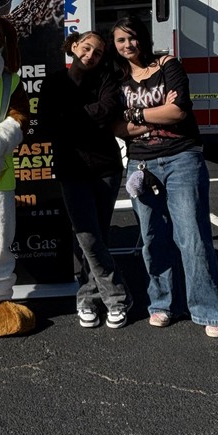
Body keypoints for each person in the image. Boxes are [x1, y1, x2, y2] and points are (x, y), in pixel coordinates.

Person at [111, 16, 218, 339]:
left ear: (143, 38)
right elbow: (117, 127)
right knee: (152, 238)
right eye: (121, 40)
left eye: (132, 38)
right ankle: (162, 304)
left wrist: (136, 116)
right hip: (141, 166)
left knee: (191, 237)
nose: (127, 45)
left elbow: (179, 111)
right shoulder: (116, 77)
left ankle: (208, 310)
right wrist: (155, 114)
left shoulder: (167, 65)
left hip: (182, 158)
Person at [39, 31, 132, 329]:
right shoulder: (54, 81)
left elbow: (109, 110)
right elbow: (45, 123)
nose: (91, 55)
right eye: (87, 48)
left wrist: (69, 119)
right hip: (71, 169)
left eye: (98, 52)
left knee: (98, 237)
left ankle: (87, 298)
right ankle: (117, 297)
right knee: (87, 237)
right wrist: (86, 119)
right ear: (74, 45)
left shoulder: (106, 79)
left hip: (106, 168)